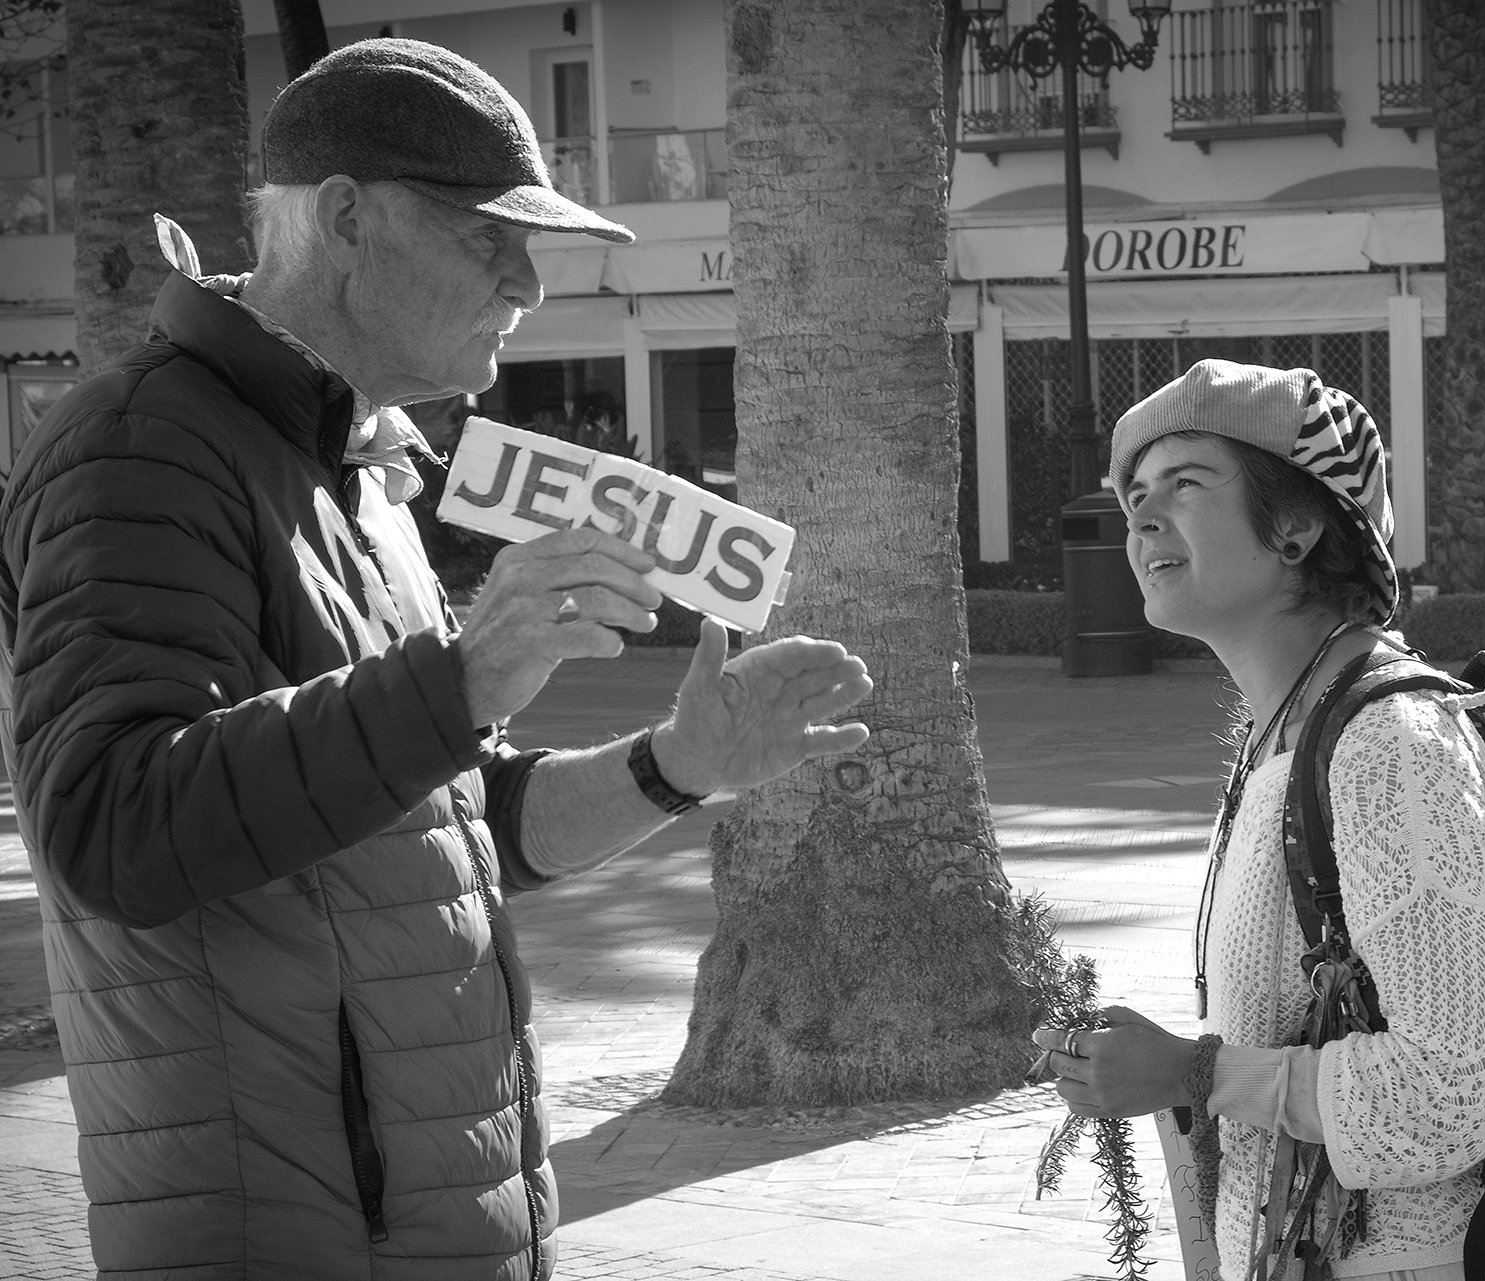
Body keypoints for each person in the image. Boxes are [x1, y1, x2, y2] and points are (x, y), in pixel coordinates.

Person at [0, 39, 873, 1278]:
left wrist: (676, 767)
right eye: (486, 234)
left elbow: (453, 827)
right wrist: (462, 674)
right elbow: (111, 827)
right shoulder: (142, 448)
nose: (527, 279)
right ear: (347, 219)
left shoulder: (357, 466)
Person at [1029, 360, 1485, 1281]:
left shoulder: (1390, 743)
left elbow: (1460, 1087)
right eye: (1135, 495)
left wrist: (1196, 1071)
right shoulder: (1285, 734)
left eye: (1184, 484)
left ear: (1297, 524)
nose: (1140, 519)